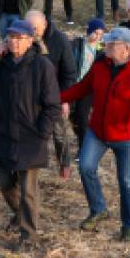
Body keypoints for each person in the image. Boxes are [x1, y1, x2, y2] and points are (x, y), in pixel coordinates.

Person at [61, 28, 130, 240]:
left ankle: (128, 226)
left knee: (127, 181)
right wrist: (59, 98)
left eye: (111, 43)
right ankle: (98, 210)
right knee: (86, 166)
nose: (105, 46)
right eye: (106, 43)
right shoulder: (100, 63)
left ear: (126, 49)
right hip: (97, 131)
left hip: (126, 137)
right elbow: (82, 87)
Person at [0, 21, 64, 249]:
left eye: (18, 37)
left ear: (30, 40)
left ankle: (29, 236)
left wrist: (42, 132)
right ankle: (20, 215)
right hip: (4, 133)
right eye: (9, 37)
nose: (13, 41)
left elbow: (53, 105)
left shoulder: (42, 66)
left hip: (31, 136)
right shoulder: (2, 62)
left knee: (28, 191)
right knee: (5, 183)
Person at [27, 10, 83, 175]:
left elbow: (69, 73)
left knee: (58, 132)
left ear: (44, 24)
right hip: (31, 94)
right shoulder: (24, 37)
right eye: (30, 29)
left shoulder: (59, 40)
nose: (32, 33)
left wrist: (64, 99)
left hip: (54, 94)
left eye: (35, 29)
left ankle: (64, 162)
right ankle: (30, 164)